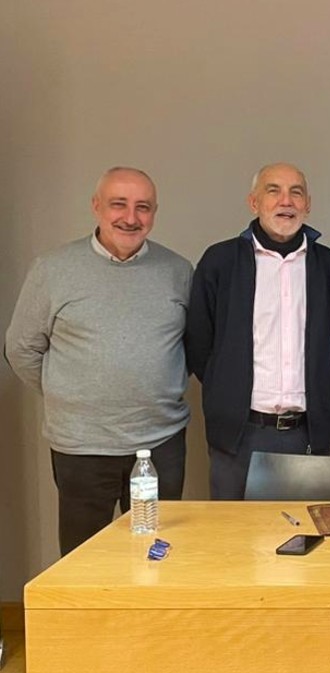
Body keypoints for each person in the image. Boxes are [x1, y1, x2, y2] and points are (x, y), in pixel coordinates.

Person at [5, 167, 191, 554]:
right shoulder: (53, 269)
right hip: (82, 446)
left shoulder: (177, 271)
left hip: (160, 444)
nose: (130, 217)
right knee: (82, 561)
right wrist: (68, 393)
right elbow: (21, 348)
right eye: (118, 204)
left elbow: (189, 348)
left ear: (154, 213)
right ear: (96, 207)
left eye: (143, 207)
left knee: (158, 554)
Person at [186, 163, 330, 500]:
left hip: (307, 433)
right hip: (239, 434)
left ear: (308, 204)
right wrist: (226, 389)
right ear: (253, 202)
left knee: (308, 540)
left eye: (296, 192)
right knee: (234, 542)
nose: (285, 201)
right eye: (273, 190)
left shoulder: (327, 265)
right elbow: (198, 343)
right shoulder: (220, 262)